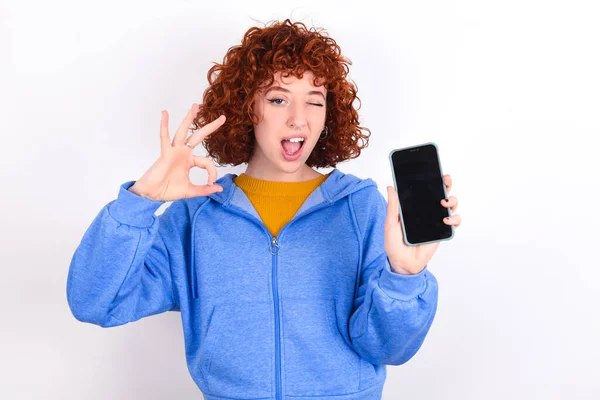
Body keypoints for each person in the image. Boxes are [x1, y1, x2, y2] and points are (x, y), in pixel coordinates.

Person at [66, 19, 461, 400]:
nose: (298, 119)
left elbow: (389, 349)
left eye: (314, 101)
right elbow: (96, 302)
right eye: (277, 99)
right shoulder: (196, 216)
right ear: (247, 108)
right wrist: (141, 201)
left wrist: (405, 277)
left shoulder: (361, 209)